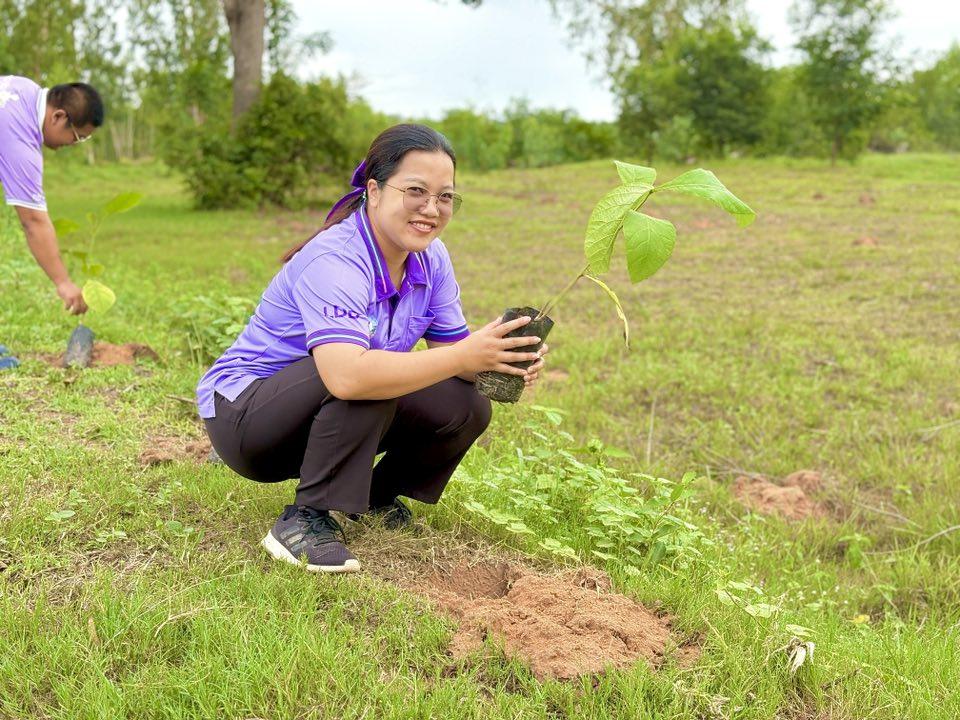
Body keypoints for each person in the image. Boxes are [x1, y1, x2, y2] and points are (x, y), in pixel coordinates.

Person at [198, 123, 548, 573]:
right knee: (363, 380)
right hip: (245, 419)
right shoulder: (337, 259)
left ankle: (375, 497)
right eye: (416, 191)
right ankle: (303, 521)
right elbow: (346, 376)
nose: (432, 209)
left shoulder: (431, 258)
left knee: (469, 404)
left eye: (445, 197)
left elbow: (455, 355)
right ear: (375, 191)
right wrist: (464, 355)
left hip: (325, 410)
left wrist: (496, 356)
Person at [0, 76, 104, 369]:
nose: (74, 144)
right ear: (58, 116)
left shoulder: (23, 89)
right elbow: (33, 221)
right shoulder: (20, 140)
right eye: (77, 136)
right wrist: (63, 282)